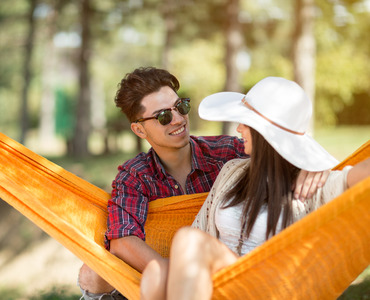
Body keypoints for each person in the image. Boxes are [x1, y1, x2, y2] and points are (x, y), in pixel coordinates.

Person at [78, 68, 330, 300]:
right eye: (164, 116)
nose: (177, 119)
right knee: (92, 273)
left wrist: (310, 166)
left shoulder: (227, 154)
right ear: (140, 130)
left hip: (224, 265)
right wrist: (172, 274)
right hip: (171, 266)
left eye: (180, 106)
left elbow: (276, 149)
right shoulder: (135, 176)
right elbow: (122, 240)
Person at [140, 76, 370, 300]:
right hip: (218, 283)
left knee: (188, 239)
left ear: (266, 133)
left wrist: (320, 166)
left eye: (246, 122)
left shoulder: (314, 184)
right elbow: (200, 231)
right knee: (155, 273)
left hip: (269, 289)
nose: (239, 129)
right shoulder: (233, 171)